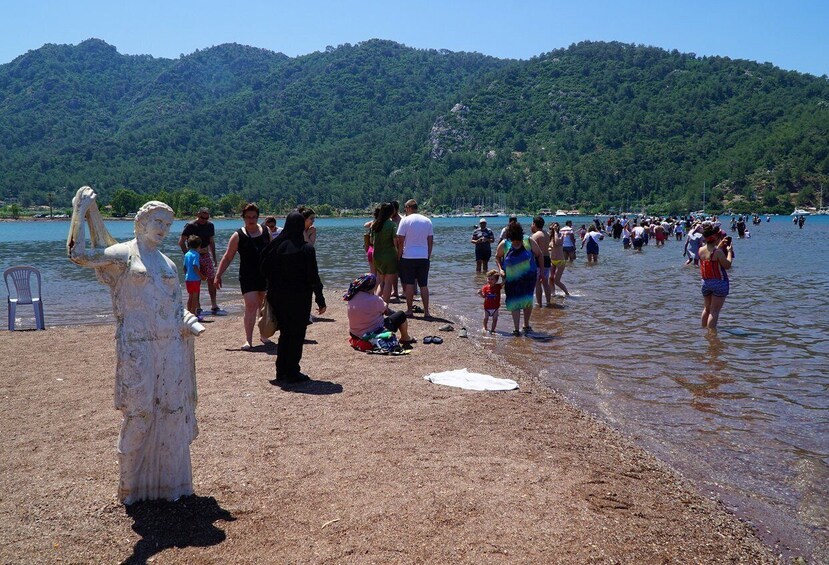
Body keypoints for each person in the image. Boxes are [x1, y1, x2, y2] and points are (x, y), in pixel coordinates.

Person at [68, 186, 204, 504]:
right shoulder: (123, 254)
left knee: (172, 410)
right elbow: (79, 255)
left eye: (168, 225)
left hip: (170, 346)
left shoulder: (169, 264)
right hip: (138, 346)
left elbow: (173, 307)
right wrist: (79, 212)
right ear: (141, 222)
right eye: (157, 221)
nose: (163, 229)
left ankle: (170, 483)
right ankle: (130, 484)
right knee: (139, 414)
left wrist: (186, 321)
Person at [260, 212, 326, 383]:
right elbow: (313, 277)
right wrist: (320, 299)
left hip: (278, 296)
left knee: (285, 333)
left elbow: (263, 268)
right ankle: (292, 371)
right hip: (299, 298)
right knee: (296, 334)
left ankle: (281, 370)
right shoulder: (306, 249)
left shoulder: (275, 247)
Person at [214, 203, 272, 350]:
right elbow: (228, 257)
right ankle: (248, 340)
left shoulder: (266, 231)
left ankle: (264, 335)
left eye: (254, 217)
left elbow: (273, 253)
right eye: (248, 217)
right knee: (251, 305)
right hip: (247, 275)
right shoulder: (238, 235)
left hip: (265, 274)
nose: (251, 220)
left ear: (258, 217)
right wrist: (218, 275)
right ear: (243, 218)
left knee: (263, 306)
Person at [495, 221, 543, 336]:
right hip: (511, 279)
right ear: (509, 237)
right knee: (514, 302)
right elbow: (497, 256)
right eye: (514, 240)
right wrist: (500, 269)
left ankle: (526, 325)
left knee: (527, 301)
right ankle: (516, 329)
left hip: (528, 278)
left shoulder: (528, 241)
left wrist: (541, 271)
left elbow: (539, 254)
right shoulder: (505, 244)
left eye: (517, 240)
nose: (516, 242)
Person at [344, 273, 414, 348]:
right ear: (372, 286)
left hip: (354, 333)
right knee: (401, 315)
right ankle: (405, 337)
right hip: (371, 333)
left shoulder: (351, 297)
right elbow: (386, 312)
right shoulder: (376, 300)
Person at [178, 207, 226, 316]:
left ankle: (214, 304)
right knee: (196, 281)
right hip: (194, 256)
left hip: (206, 255)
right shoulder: (190, 226)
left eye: (206, 217)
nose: (204, 220)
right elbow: (181, 242)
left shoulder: (210, 225)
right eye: (202, 217)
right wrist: (188, 255)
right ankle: (197, 307)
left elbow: (211, 242)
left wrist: (214, 256)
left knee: (211, 279)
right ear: (197, 215)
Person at [396, 199, 434, 318]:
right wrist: (428, 255)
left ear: (408, 208)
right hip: (423, 256)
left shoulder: (405, 221)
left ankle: (409, 310)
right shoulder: (427, 221)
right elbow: (430, 241)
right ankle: (426, 312)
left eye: (405, 208)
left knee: (409, 283)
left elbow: (400, 241)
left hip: (408, 256)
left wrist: (399, 256)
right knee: (423, 284)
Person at [698, 222, 734, 331]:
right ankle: (711, 335)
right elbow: (727, 265)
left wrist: (720, 244)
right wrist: (729, 252)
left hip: (706, 283)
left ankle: (703, 330)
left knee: (707, 309)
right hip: (719, 282)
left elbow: (711, 254)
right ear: (715, 238)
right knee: (714, 311)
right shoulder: (718, 252)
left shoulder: (701, 250)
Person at [370, 203, 399, 303]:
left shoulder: (375, 225)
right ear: (391, 212)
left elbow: (371, 242)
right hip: (389, 255)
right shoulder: (392, 225)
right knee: (388, 282)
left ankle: (374, 302)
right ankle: (385, 307)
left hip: (377, 256)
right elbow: (395, 243)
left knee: (381, 281)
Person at [530, 216, 552, 306]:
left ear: (534, 224)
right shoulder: (547, 234)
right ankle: (548, 301)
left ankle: (539, 303)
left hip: (539, 259)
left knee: (538, 282)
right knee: (545, 282)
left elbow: (532, 250)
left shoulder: (535, 235)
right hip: (547, 258)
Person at [183, 235, 206, 322]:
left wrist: (187, 275)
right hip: (195, 279)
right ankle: (193, 315)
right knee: (195, 297)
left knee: (190, 296)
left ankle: (188, 314)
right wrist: (202, 276)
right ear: (199, 246)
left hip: (188, 278)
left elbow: (184, 267)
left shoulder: (187, 254)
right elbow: (195, 266)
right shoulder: (196, 254)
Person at [548, 222, 570, 297]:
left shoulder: (561, 235)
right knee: (551, 278)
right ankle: (553, 293)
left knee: (556, 281)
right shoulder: (550, 237)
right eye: (552, 228)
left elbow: (557, 242)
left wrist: (555, 231)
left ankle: (567, 293)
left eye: (556, 227)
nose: (553, 229)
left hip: (560, 261)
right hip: (552, 260)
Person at [477, 269, 502, 334]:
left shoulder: (498, 286)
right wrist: (480, 293)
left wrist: (503, 274)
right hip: (487, 307)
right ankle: (485, 327)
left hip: (495, 308)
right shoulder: (485, 287)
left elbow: (504, 282)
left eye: (492, 279)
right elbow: (484, 296)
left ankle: (493, 330)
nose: (490, 281)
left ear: (496, 280)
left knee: (495, 319)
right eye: (489, 279)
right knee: (485, 318)